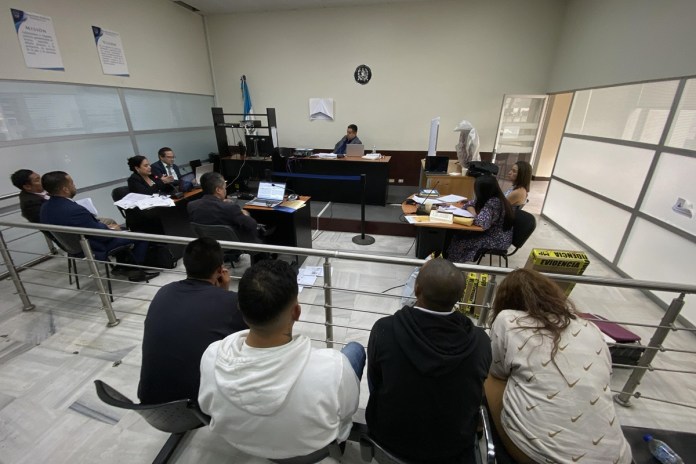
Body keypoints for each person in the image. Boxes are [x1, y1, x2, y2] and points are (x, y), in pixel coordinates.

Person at [198, 260, 364, 460]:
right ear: (296, 312)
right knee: (355, 350)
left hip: (242, 443)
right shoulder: (332, 367)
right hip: (313, 450)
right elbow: (347, 412)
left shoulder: (212, 356)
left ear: (240, 309)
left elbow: (207, 407)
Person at [485, 269, 633, 464]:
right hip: (619, 457)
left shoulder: (508, 320)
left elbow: (496, 370)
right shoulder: (590, 327)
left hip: (542, 455)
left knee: (491, 376)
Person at [366, 258, 492, 463]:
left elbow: (375, 379)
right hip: (453, 449)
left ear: (417, 290)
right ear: (460, 297)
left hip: (389, 440)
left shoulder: (384, 329)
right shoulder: (481, 342)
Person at [138, 237, 247, 404]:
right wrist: (225, 292)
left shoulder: (164, 291)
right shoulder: (231, 302)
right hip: (195, 405)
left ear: (186, 265)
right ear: (220, 270)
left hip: (150, 402)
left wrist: (221, 293)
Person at [39, 171, 158, 282]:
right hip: (94, 245)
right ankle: (135, 271)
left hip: (74, 245)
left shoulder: (45, 207)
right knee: (141, 235)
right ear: (65, 189)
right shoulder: (74, 209)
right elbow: (102, 236)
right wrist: (111, 229)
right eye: (72, 183)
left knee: (122, 230)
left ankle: (122, 266)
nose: (74, 186)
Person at [11, 169, 117, 227]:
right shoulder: (31, 204)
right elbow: (55, 222)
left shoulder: (46, 194)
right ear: (27, 186)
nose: (42, 181)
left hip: (75, 222)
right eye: (37, 180)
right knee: (115, 228)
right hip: (72, 232)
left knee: (108, 222)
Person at [447, 175, 514, 263]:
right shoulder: (490, 197)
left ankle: (453, 266)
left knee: (459, 242)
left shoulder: (494, 202)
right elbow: (469, 203)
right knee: (456, 235)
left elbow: (481, 223)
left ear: (484, 191)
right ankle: (451, 261)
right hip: (491, 233)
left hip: (497, 239)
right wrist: (471, 207)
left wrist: (473, 212)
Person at [187, 172, 261, 244]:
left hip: (210, 247)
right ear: (218, 190)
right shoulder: (230, 208)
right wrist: (244, 213)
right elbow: (252, 225)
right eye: (224, 188)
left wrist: (220, 202)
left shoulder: (192, 205)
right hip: (236, 247)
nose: (225, 190)